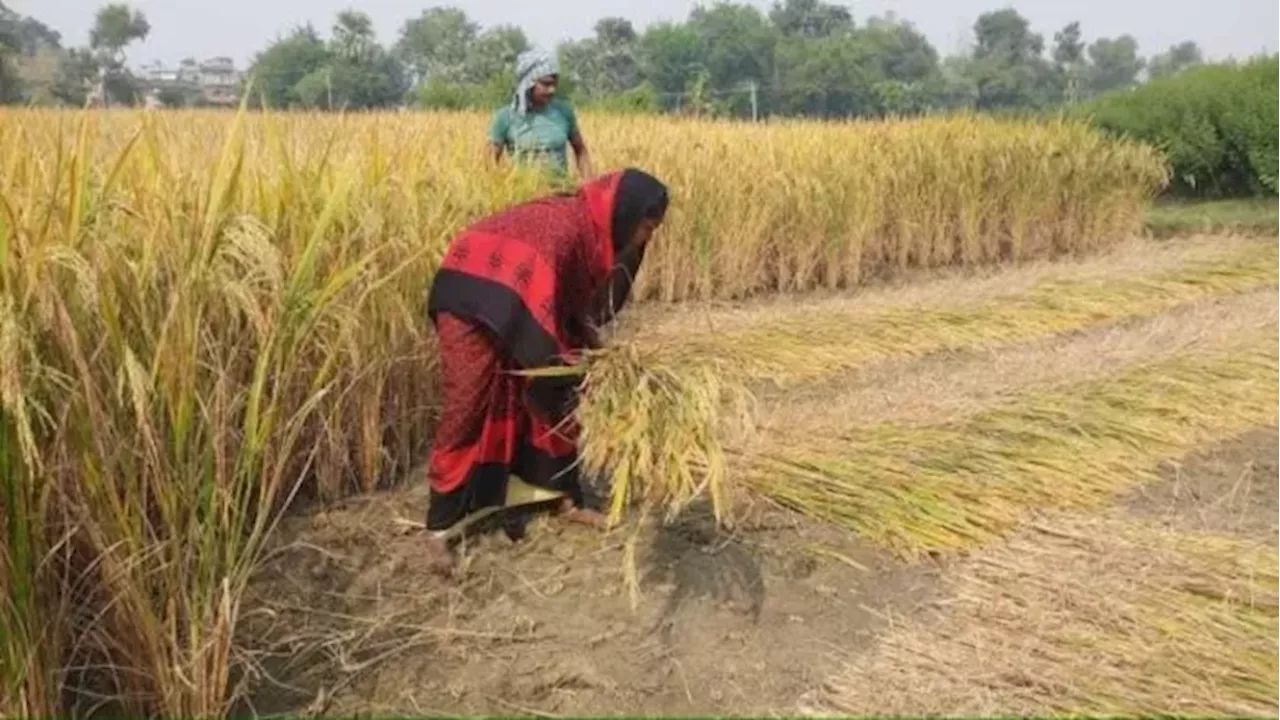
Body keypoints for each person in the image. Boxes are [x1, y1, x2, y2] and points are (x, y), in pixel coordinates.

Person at [423, 168, 670, 574]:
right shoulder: (564, 230)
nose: (646, 238)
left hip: (515, 293)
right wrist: (571, 366)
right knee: (469, 403)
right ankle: (438, 528)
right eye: (646, 227)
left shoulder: (591, 230)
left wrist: (598, 354)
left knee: (553, 391)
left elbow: (569, 305)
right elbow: (544, 317)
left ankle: (558, 497)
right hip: (471, 294)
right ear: (623, 214)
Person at [489, 48, 595, 181]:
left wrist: (589, 185)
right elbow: (489, 163)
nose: (552, 90)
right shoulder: (505, 117)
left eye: (555, 84)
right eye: (546, 84)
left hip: (561, 194)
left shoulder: (563, 111)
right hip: (524, 197)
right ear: (528, 83)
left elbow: (581, 151)